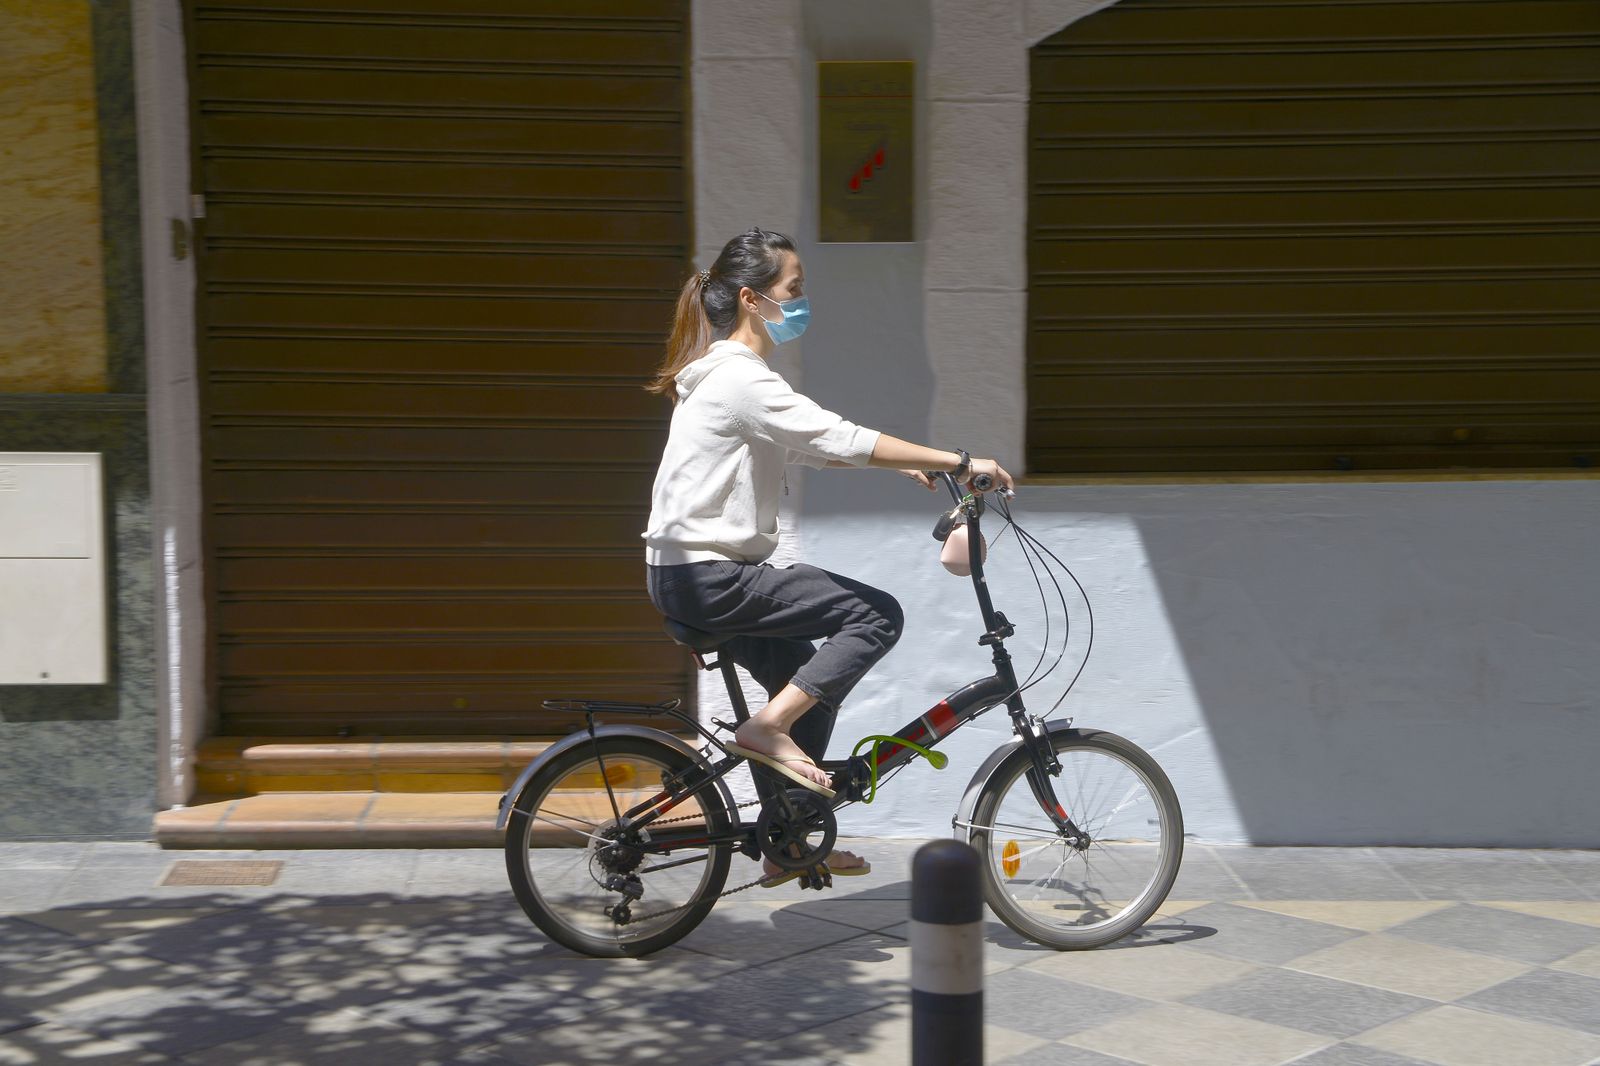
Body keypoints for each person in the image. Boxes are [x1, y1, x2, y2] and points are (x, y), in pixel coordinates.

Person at [641, 227, 1014, 880]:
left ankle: (789, 841)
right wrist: (958, 458)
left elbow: (808, 444)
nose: (802, 303)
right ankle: (764, 733)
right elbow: (837, 435)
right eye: (795, 291)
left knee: (810, 685)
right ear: (754, 300)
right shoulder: (738, 378)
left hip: (688, 576)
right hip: (709, 577)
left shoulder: (728, 379)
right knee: (875, 616)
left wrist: (903, 469)